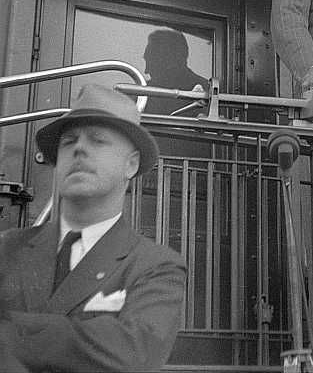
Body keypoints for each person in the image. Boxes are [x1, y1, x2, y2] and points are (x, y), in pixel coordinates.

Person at [0, 84, 186, 372]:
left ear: (131, 165)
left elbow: (134, 354)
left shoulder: (155, 266)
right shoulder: (8, 247)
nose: (79, 149)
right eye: (68, 141)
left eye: (98, 140)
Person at [142, 28, 209, 115]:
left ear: (171, 59)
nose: (146, 71)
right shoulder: (141, 93)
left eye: (151, 63)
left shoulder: (208, 93)